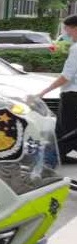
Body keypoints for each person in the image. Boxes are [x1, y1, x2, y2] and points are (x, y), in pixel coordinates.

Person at [34, 14, 77, 160]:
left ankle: (51, 158)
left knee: (66, 131)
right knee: (63, 129)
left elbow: (66, 76)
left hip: (72, 95)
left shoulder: (76, 49)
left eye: (67, 29)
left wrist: (44, 91)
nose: (66, 33)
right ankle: (56, 156)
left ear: (75, 28)